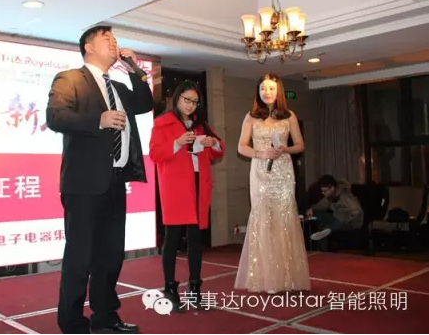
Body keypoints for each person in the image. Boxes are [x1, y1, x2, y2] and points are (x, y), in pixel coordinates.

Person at [46, 25, 153, 334]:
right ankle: (72, 323)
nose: (114, 43)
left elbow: (145, 104)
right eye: (107, 39)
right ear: (88, 47)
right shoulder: (70, 78)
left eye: (115, 40)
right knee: (80, 256)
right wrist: (99, 120)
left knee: (110, 255)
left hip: (115, 182)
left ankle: (105, 317)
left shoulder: (117, 86)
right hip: (83, 184)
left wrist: (134, 69)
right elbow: (55, 116)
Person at [149, 80, 225, 312]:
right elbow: (155, 154)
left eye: (195, 102)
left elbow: (218, 151)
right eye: (187, 100)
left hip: (198, 184)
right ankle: (170, 288)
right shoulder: (162, 123)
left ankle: (194, 287)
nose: (191, 105)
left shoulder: (201, 125)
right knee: (172, 238)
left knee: (195, 240)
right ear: (177, 99)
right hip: (175, 187)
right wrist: (178, 142)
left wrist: (213, 143)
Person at [234, 73, 310, 294]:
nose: (266, 92)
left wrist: (285, 149)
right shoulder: (251, 117)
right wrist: (261, 153)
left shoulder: (289, 116)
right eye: (263, 88)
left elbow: (300, 145)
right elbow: (241, 147)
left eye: (271, 88)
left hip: (283, 171)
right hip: (260, 171)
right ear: (258, 91)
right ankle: (265, 278)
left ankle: (287, 277)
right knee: (263, 218)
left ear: (279, 91)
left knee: (284, 219)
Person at [307, 175, 364, 243]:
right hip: (338, 216)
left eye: (324, 191)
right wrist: (311, 209)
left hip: (352, 223)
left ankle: (327, 229)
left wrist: (346, 220)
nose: (323, 193)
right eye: (322, 191)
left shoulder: (344, 196)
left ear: (332, 188)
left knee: (336, 222)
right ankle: (325, 230)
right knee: (318, 214)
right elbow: (322, 204)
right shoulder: (330, 195)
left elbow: (357, 210)